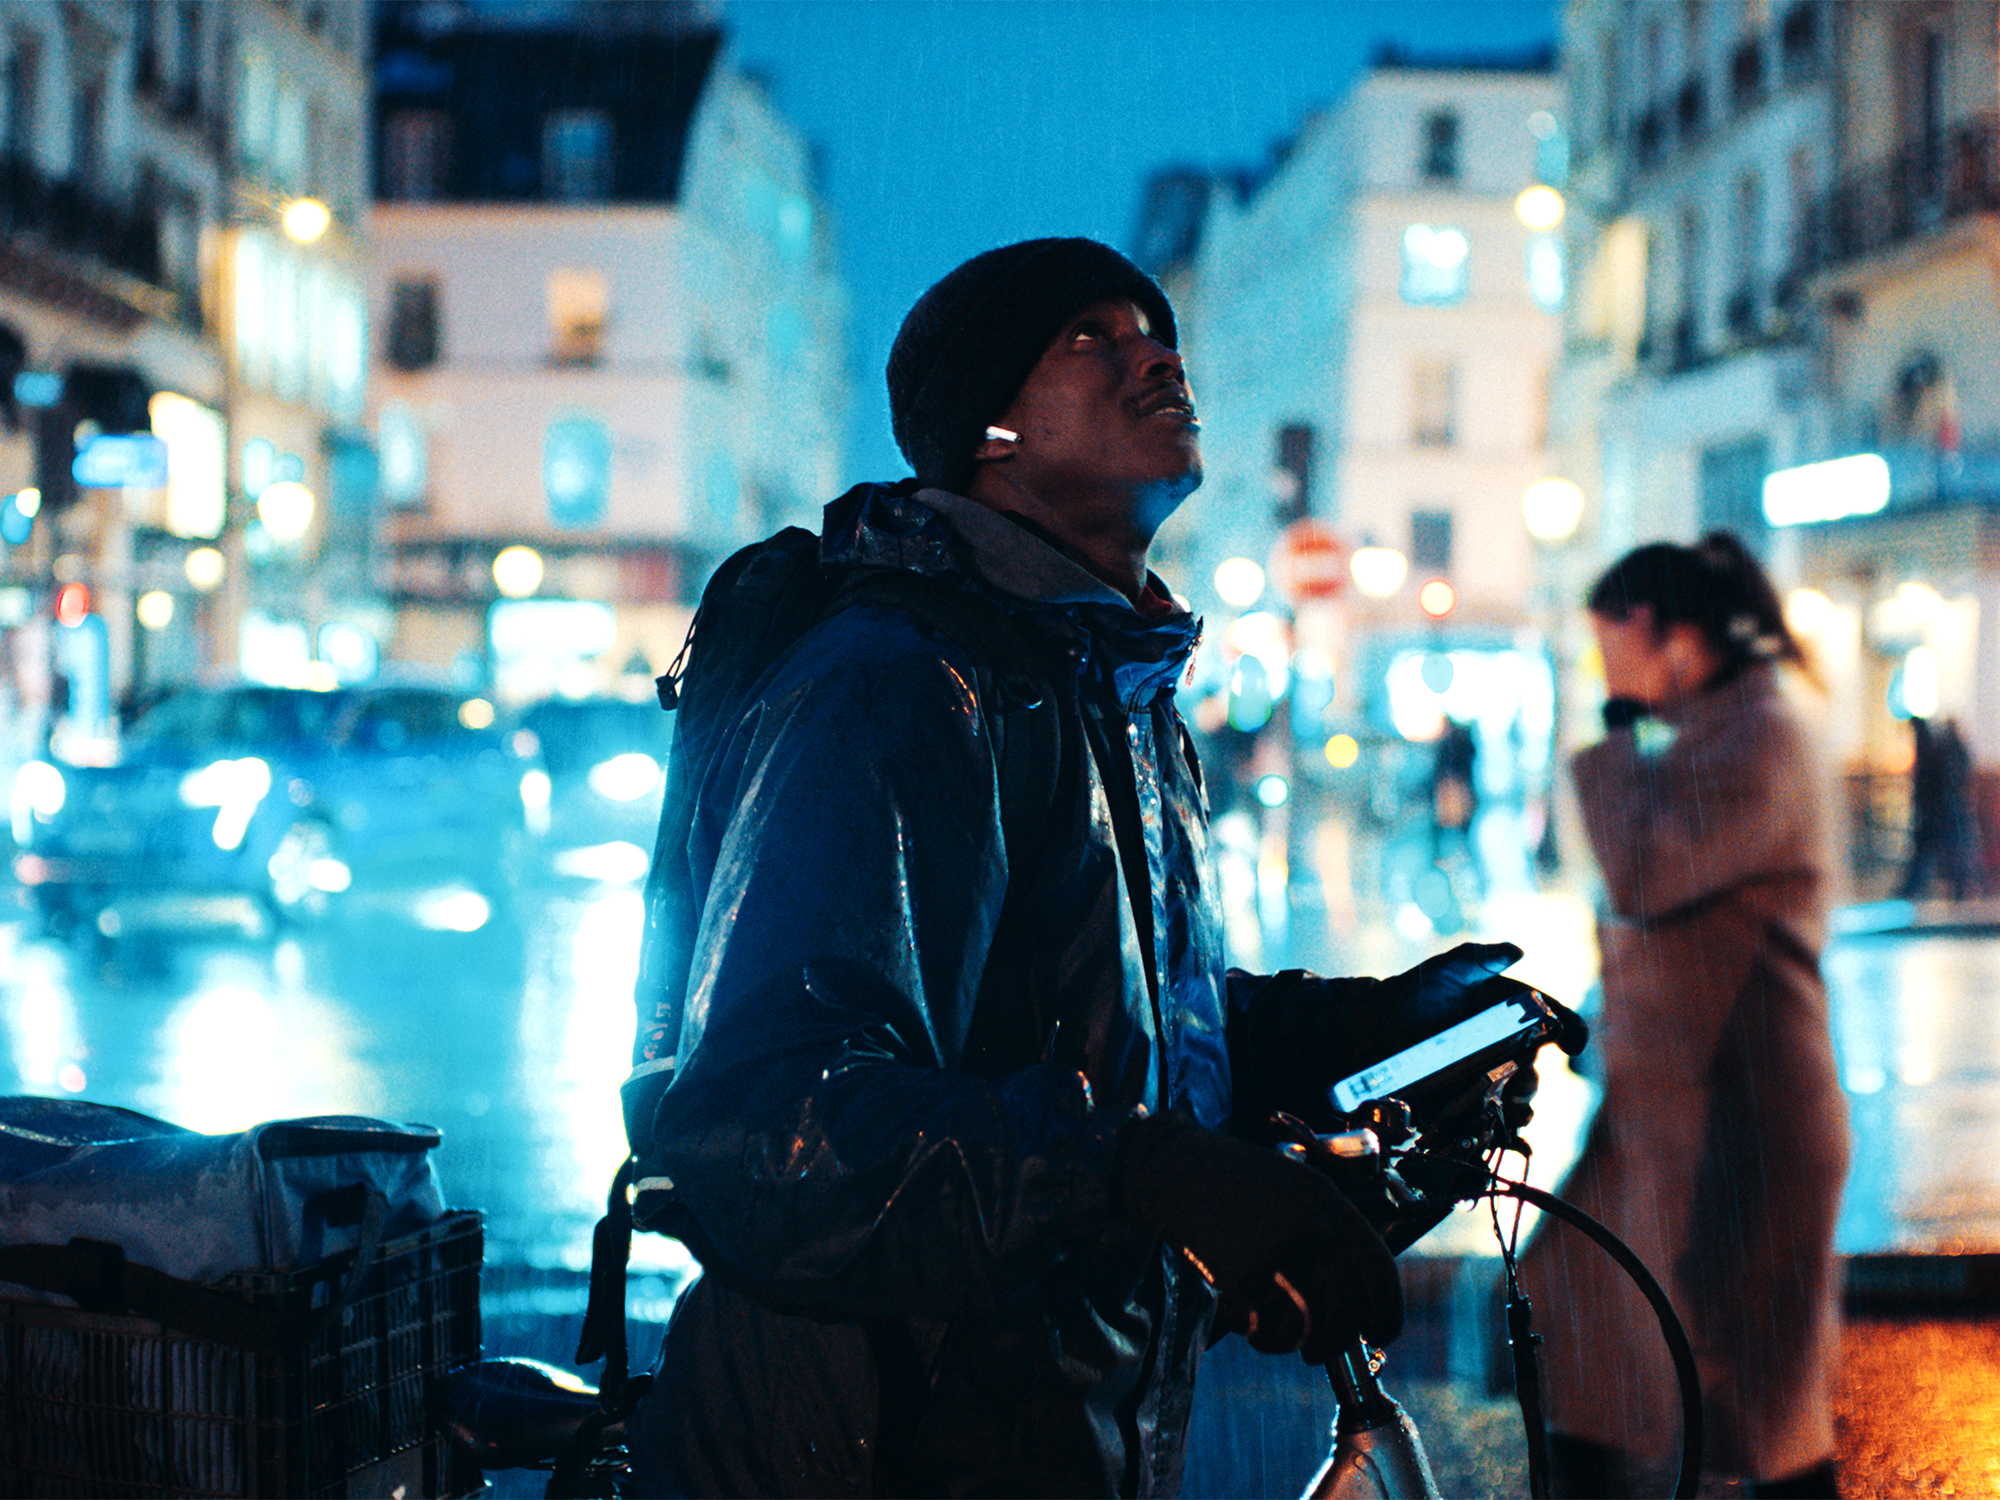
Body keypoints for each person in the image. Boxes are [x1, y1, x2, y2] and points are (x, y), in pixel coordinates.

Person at [617, 238, 1539, 1497]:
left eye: (1156, 333)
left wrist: (1351, 1032)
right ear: (987, 431)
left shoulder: (1100, 681)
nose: (1156, 358)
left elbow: (1092, 1032)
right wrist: (1143, 1172)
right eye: (1089, 340)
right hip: (864, 1450)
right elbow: (771, 1121)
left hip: (1034, 1435)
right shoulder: (902, 680)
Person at [1519, 533, 1850, 1500]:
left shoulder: (1762, 734)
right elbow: (1674, 928)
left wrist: (1620, 732)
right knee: (1581, 1327)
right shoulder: (1717, 730)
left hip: (1747, 1122)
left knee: (1766, 1407)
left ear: (1663, 633)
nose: (1604, 672)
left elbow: (1647, 874)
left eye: (1609, 647)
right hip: (1672, 1119)